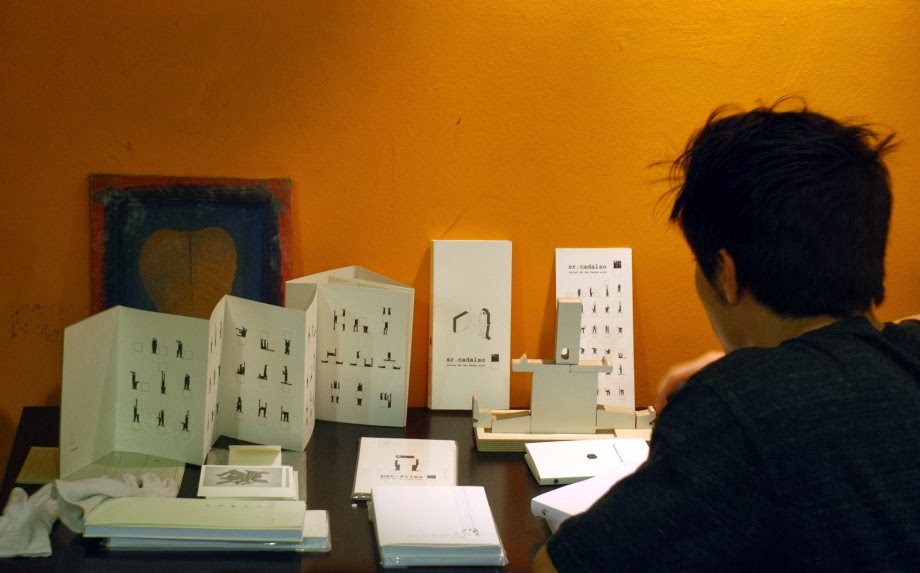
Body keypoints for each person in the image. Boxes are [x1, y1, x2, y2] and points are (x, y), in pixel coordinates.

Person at [533, 100, 920, 572]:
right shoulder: (907, 351)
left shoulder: (736, 409)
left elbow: (557, 567)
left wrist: (746, 384)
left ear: (726, 274)